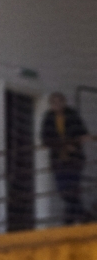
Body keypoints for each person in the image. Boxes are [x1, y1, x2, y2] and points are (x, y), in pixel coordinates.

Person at [41, 93, 89, 225]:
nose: (57, 105)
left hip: (74, 160)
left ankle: (69, 221)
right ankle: (84, 216)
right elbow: (45, 138)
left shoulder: (72, 114)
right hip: (58, 160)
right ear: (51, 104)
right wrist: (63, 146)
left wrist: (74, 145)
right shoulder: (49, 117)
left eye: (59, 102)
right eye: (54, 103)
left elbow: (83, 133)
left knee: (72, 189)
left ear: (64, 102)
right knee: (63, 191)